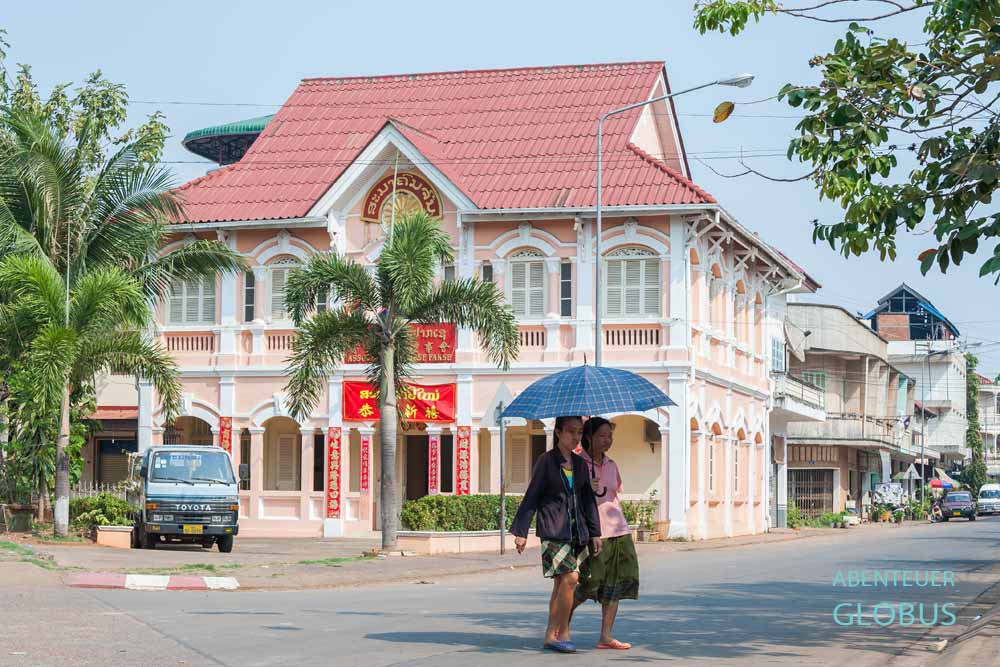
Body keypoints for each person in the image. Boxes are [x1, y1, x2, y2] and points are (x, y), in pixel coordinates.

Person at [511, 415, 602, 654]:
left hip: (577, 531)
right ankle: (564, 632)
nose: (576, 436)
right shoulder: (547, 461)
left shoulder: (581, 464)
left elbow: (588, 500)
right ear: (559, 432)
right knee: (571, 578)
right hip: (553, 529)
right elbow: (532, 495)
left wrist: (595, 533)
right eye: (571, 431)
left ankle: (550, 635)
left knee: (562, 583)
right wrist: (521, 531)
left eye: (580, 432)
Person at [569, 416, 638, 650]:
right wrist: (586, 486)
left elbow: (614, 494)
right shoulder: (577, 464)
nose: (608, 440)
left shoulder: (611, 464)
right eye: (602, 436)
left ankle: (606, 636)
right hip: (593, 533)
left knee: (615, 585)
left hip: (619, 530)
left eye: (610, 436)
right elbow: (568, 497)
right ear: (589, 437)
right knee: (589, 582)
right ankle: (561, 626)